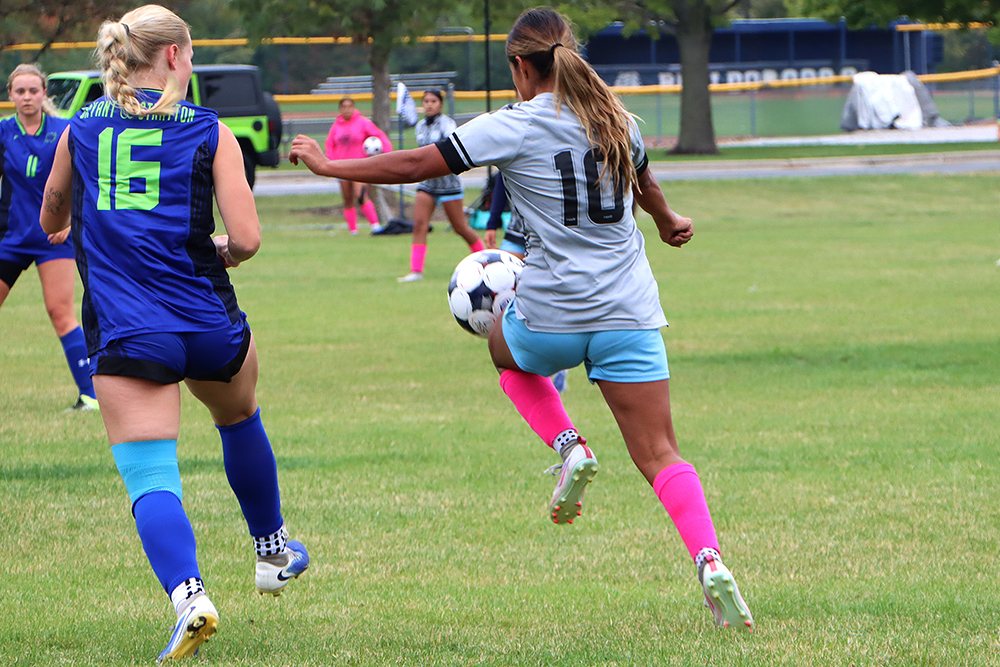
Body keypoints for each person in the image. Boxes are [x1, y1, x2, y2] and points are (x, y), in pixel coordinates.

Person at [291, 7, 753, 630]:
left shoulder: (512, 124)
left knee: (503, 352)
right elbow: (644, 181)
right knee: (662, 454)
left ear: (519, 66)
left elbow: (411, 166)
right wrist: (668, 222)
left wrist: (329, 166)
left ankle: (569, 447)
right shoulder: (615, 116)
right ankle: (708, 558)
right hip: (630, 312)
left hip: (554, 310)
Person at [40, 5, 309, 662]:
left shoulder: (82, 128)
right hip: (208, 324)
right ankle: (272, 550)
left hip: (131, 332)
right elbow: (246, 239)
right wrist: (219, 247)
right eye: (189, 52)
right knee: (240, 415)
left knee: (151, 473)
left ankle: (191, 596)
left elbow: (52, 210)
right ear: (173, 57)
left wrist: (74, 229)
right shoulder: (210, 132)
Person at [0, 63, 97, 411]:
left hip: (53, 238)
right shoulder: (3, 132)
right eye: (20, 91)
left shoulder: (64, 130)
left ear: (45, 94)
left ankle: (91, 395)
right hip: (10, 238)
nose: (27, 97)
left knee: (61, 312)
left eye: (33, 91)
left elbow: (85, 181)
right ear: (10, 95)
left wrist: (71, 224)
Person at [484, 171, 567, 393]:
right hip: (517, 228)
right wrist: (493, 221)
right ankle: (523, 357)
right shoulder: (518, 140)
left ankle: (556, 365)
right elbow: (502, 177)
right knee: (501, 288)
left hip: (551, 231)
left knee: (548, 297)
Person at [397, 90, 484, 282]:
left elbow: (448, 151)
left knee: (460, 228)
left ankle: (486, 260)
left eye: (433, 101)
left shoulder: (448, 124)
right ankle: (416, 271)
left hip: (448, 185)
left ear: (441, 104)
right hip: (427, 184)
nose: (429, 104)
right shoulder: (420, 125)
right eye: (426, 101)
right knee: (419, 225)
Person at [325, 97, 392, 235]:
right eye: (344, 107)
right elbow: (330, 144)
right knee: (347, 199)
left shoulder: (362, 123)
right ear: (340, 109)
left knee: (360, 195)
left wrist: (387, 152)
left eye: (350, 106)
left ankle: (375, 225)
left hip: (359, 166)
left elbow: (378, 135)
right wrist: (331, 162)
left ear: (354, 107)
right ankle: (353, 230)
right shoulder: (336, 126)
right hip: (341, 167)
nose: (347, 109)